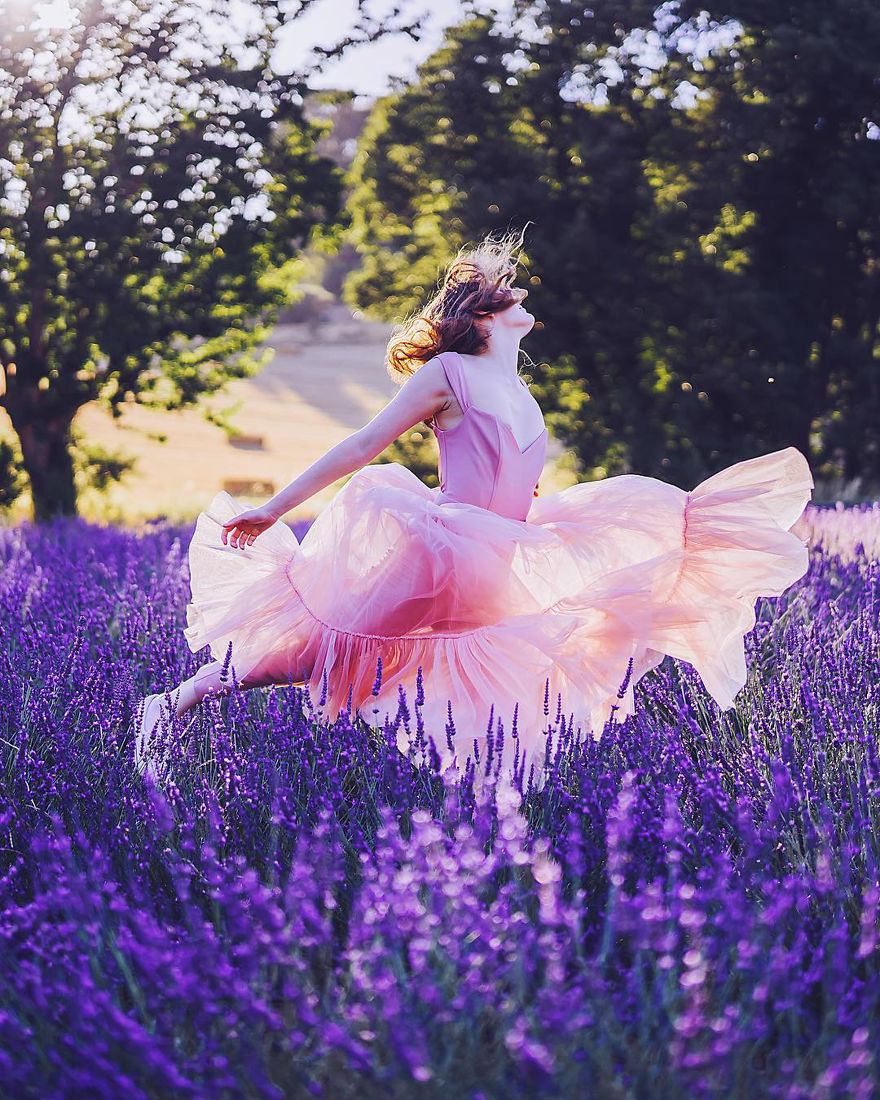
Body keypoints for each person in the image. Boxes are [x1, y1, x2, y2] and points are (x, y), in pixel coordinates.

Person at [134, 229, 813, 781]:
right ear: (483, 317)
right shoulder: (447, 373)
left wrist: (525, 491)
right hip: (441, 547)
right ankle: (173, 704)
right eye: (507, 291)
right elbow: (365, 443)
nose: (522, 292)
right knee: (325, 651)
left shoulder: (520, 388)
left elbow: (511, 467)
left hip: (501, 551)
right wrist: (277, 506)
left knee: (511, 665)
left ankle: (486, 799)